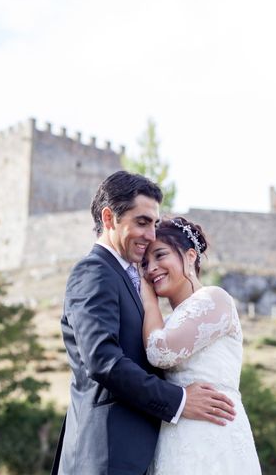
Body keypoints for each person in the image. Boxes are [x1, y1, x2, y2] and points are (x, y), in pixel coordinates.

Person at [51, 171, 237, 475]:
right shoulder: (94, 272)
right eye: (142, 222)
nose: (151, 234)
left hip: (145, 453)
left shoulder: (131, 279)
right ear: (109, 217)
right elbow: (102, 361)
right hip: (104, 455)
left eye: (153, 223)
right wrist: (178, 400)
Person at [140, 217, 262, 474]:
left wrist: (148, 301)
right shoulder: (169, 321)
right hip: (174, 434)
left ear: (190, 256)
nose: (151, 269)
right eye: (144, 263)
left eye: (160, 255)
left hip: (213, 431)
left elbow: (160, 352)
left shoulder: (215, 299)